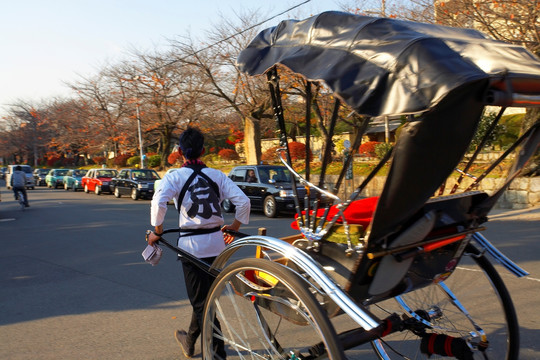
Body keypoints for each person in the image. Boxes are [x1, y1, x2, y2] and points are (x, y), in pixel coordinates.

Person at [147, 127, 250, 359]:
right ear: (203, 150)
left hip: (191, 247)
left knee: (202, 302)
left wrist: (157, 231)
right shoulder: (217, 175)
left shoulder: (174, 176)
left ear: (180, 151)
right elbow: (243, 202)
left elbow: (158, 203)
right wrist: (233, 228)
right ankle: (190, 339)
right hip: (217, 245)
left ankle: (217, 352)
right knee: (206, 297)